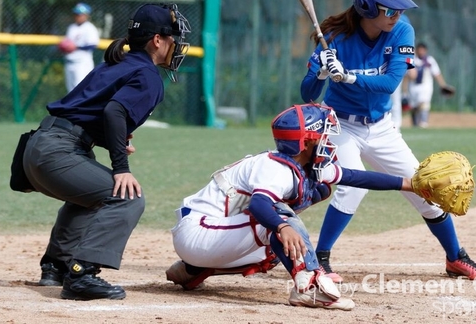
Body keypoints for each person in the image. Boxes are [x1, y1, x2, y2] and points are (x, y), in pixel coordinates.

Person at [300, 0, 476, 284]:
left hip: (382, 128)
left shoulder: (402, 32)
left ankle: (455, 257)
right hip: (340, 127)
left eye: (400, 7)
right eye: (390, 7)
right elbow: (307, 95)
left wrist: (348, 76)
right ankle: (320, 261)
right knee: (351, 187)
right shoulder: (334, 37)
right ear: (367, 7)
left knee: (426, 189)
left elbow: (389, 84)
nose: (397, 13)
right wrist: (319, 73)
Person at [166, 103, 423, 311]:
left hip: (210, 236)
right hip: (199, 231)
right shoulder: (276, 168)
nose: (328, 141)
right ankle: (309, 287)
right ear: (307, 142)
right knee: (280, 221)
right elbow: (259, 204)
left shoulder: (302, 166)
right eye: (323, 135)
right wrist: (281, 226)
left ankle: (193, 269)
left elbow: (356, 177)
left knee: (290, 232)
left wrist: (411, 184)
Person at [23, 3, 191, 300]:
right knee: (126, 197)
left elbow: (90, 113)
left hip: (39, 147)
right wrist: (121, 167)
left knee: (91, 197)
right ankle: (82, 274)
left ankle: (56, 266)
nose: (176, 45)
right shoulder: (148, 74)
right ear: (156, 40)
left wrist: (112, 139)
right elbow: (115, 112)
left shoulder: (117, 62)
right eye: (172, 38)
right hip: (58, 152)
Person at [406, 42, 454, 128]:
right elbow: (406, 76)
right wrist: (404, 90)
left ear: (425, 50)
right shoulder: (412, 59)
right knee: (414, 106)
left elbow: (437, 74)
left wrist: (443, 85)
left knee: (424, 103)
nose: (421, 51)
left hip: (425, 86)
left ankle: (424, 122)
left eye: (422, 49)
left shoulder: (429, 60)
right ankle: (415, 124)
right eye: (419, 49)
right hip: (413, 86)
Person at [59, 3, 101, 92]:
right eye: (76, 14)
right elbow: (68, 43)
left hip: (82, 64)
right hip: (69, 62)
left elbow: (93, 45)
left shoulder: (90, 28)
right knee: (70, 92)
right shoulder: (71, 27)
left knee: (80, 91)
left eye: (79, 14)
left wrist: (76, 47)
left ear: (86, 15)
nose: (77, 16)